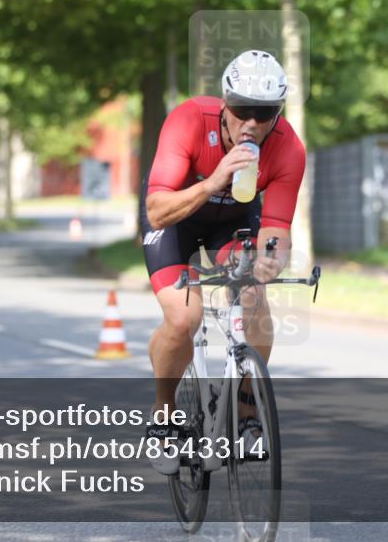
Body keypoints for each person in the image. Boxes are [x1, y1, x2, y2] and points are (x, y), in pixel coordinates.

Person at [140, 50, 306, 474]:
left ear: (278, 114)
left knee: (254, 296)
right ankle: (164, 414)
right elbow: (158, 210)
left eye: (264, 112)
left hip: (230, 224)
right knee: (183, 318)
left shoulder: (288, 148)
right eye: (242, 109)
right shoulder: (189, 120)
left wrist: (272, 260)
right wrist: (213, 180)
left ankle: (247, 413)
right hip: (177, 218)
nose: (251, 122)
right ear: (225, 104)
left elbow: (276, 227)